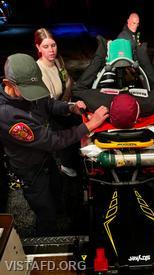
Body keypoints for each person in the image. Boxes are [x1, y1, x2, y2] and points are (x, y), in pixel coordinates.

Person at [0, 53, 109, 236]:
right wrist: (89, 125)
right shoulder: (7, 114)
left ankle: (63, 222)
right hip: (31, 169)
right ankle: (47, 245)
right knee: (45, 211)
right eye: (28, 91)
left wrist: (69, 107)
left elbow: (47, 104)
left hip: (46, 159)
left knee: (57, 195)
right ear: (8, 84)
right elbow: (52, 141)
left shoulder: (29, 87)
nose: (31, 95)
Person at [34, 27, 78, 177]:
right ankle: (65, 165)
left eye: (53, 45)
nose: (51, 50)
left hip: (65, 104)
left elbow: (68, 81)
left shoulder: (57, 60)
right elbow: (50, 105)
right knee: (69, 137)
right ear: (38, 48)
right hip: (51, 113)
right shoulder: (39, 70)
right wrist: (71, 107)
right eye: (46, 46)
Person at [117, 12, 154, 88]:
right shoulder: (123, 35)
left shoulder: (134, 33)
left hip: (138, 61)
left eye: (137, 24)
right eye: (133, 23)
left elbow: (136, 43)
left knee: (145, 51)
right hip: (131, 63)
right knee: (142, 53)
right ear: (128, 21)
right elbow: (121, 56)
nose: (135, 26)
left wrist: (139, 45)